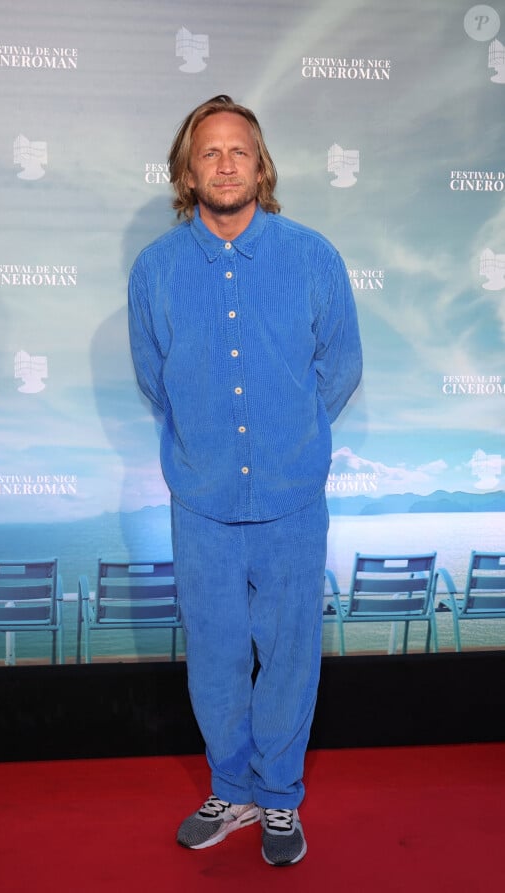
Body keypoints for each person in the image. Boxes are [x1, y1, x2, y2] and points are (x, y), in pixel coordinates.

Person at [128, 95, 362, 867]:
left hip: (293, 500)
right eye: (209, 153)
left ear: (261, 168)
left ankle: (281, 798)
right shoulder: (155, 270)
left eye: (239, 151)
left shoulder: (314, 257)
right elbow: (155, 379)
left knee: (291, 653)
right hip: (202, 502)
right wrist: (209, 450)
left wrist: (287, 439)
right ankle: (232, 788)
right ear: (187, 173)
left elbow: (339, 368)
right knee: (218, 654)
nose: (225, 164)